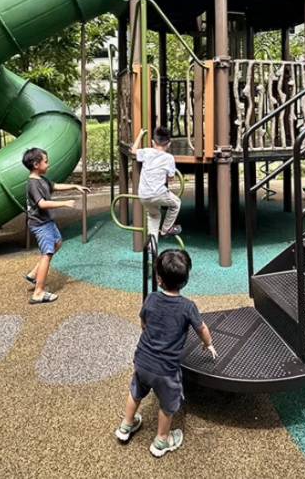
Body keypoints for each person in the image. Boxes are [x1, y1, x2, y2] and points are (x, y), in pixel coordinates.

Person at [115, 248, 215, 457]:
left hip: (142, 360)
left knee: (135, 392)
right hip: (166, 370)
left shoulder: (151, 299)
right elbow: (202, 328)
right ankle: (161, 440)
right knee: (167, 406)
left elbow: (143, 322)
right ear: (185, 280)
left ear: (158, 279)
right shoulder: (188, 307)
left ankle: (126, 425)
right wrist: (208, 344)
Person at [22, 147, 89, 304]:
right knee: (47, 254)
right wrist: (64, 203)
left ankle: (33, 274)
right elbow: (42, 204)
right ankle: (38, 293)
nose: (48, 164)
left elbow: (55, 186)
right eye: (46, 161)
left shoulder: (42, 179)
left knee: (57, 243)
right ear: (36, 164)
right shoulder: (33, 184)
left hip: (47, 221)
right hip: (40, 224)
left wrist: (75, 186)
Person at [132, 127, 182, 238]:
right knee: (176, 203)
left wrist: (140, 135)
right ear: (168, 144)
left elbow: (133, 150)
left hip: (143, 195)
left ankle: (152, 244)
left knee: (153, 216)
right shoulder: (169, 158)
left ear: (153, 142)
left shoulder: (147, 152)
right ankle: (166, 229)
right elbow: (171, 178)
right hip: (158, 194)